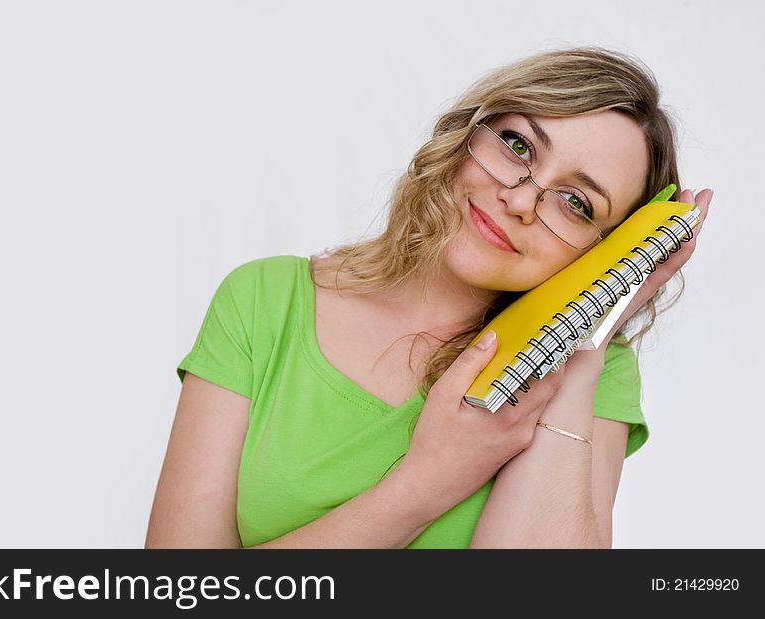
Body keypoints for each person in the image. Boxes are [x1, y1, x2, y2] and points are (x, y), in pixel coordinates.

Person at [145, 46, 712, 549]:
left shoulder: (595, 372)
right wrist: (428, 481)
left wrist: (585, 339)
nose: (519, 200)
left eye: (577, 203)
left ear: (601, 252)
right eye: (517, 146)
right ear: (467, 134)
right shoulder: (266, 301)